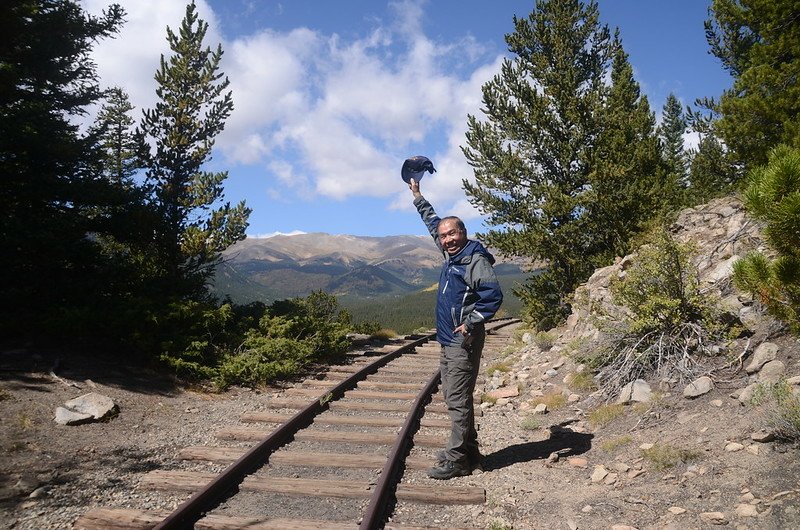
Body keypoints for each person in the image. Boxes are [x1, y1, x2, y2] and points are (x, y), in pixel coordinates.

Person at [408, 176, 503, 480]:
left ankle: (457, 459)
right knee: (453, 395)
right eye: (444, 236)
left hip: (463, 340)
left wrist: (471, 322)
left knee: (458, 398)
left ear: (463, 233)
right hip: (449, 339)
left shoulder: (473, 260)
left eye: (452, 234)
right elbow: (432, 221)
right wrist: (417, 196)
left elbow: (493, 296)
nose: (447, 239)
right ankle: (470, 451)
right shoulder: (452, 254)